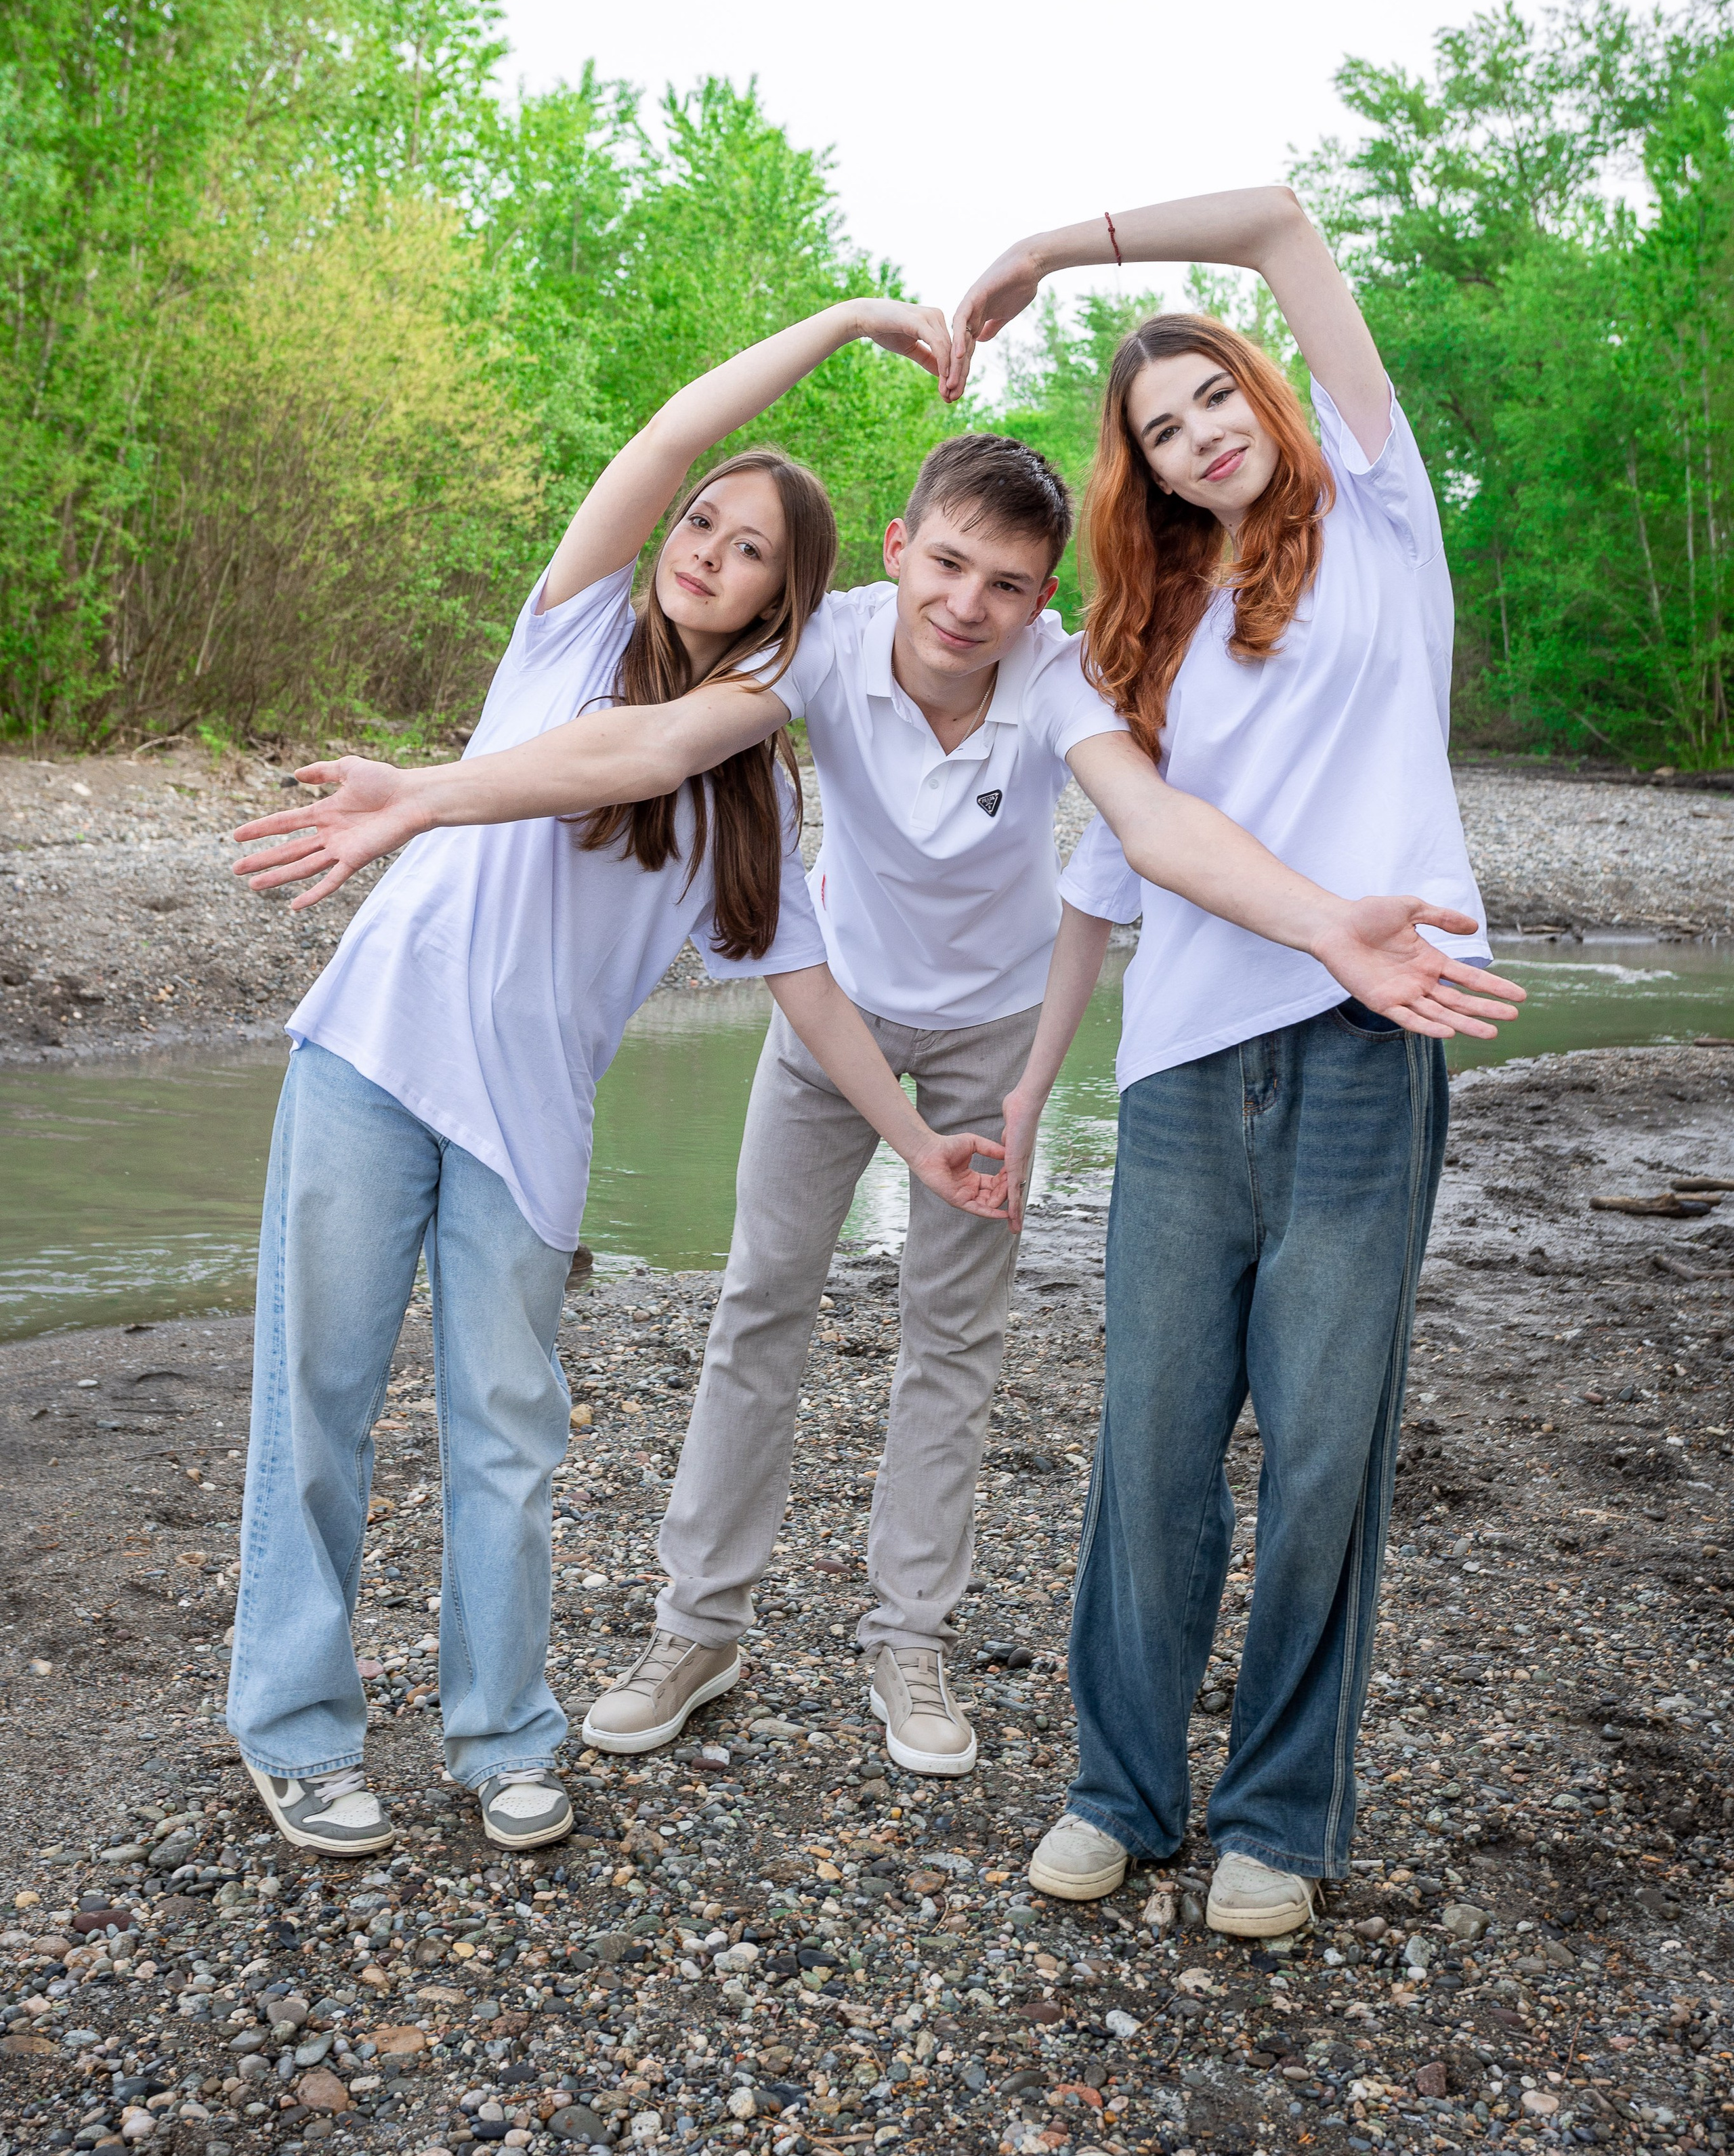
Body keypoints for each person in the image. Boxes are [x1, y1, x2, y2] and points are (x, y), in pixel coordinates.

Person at [238, 395, 1510, 1793]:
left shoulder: (1061, 679)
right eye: (948, 565)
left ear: (1042, 602)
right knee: (754, 1308)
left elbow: (1141, 836)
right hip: (833, 1007)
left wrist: (1311, 930)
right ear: (900, 548)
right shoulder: (826, 639)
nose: (967, 606)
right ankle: (693, 1632)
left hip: (992, 1024)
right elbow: (653, 747)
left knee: (949, 1342)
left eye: (1009, 586)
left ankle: (909, 1641)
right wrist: (425, 793)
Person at [224, 295, 1020, 1860]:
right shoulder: (573, 623)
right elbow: (667, 433)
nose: (705, 548)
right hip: (371, 1060)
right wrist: (848, 321)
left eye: (746, 552)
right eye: (704, 524)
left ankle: (499, 1733)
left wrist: (918, 1144)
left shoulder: (740, 776)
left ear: (783, 606)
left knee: (504, 1435)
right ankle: (298, 1732)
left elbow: (810, 989)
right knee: (313, 1406)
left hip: (525, 1129)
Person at [942, 184, 1523, 1933]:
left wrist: (1059, 254)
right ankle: (1120, 1789)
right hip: (1189, 1074)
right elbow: (1107, 894)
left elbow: (1279, 220)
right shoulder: (1142, 637)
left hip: (1367, 1050)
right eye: (1159, 430)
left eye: (1212, 401)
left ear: (1264, 400)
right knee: (1154, 1445)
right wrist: (1036, 1090)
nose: (1198, 440)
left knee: (1330, 1454)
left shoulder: (1388, 522)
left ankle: (1279, 1818)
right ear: (1141, 471)